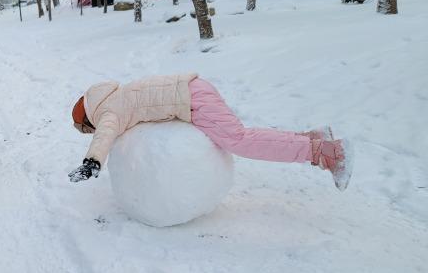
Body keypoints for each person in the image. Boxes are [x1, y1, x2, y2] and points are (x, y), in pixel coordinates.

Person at [68, 74, 353, 190]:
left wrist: (92, 161)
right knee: (243, 135)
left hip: (193, 101)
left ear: (89, 119)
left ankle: (328, 153)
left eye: (86, 128)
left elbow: (104, 134)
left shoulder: (109, 113)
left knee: (240, 142)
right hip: (193, 88)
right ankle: (311, 139)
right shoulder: (115, 94)